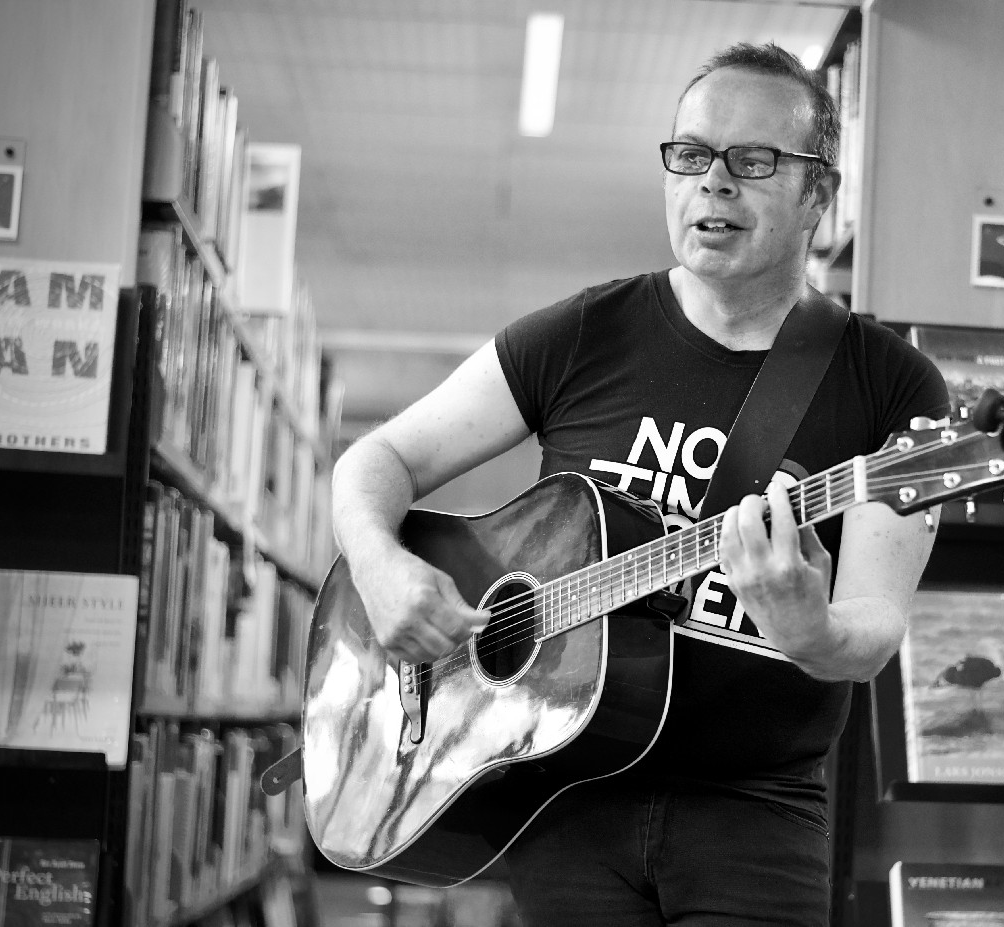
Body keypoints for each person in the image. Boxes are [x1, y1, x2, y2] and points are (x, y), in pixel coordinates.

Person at [330, 41, 950, 925]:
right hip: (564, 797)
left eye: (754, 160)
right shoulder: (583, 333)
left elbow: (873, 630)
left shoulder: (894, 389)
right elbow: (375, 461)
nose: (714, 182)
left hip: (756, 813)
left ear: (819, 193)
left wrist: (811, 629)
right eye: (691, 154)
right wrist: (380, 565)